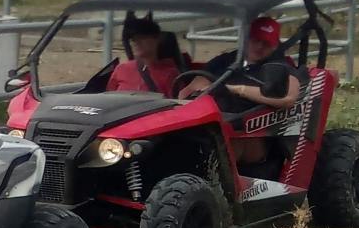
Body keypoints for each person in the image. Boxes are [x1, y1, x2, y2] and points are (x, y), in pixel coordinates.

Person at [178, 15, 303, 167]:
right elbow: (195, 84)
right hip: (211, 122)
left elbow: (289, 98)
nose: (259, 47)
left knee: (219, 142)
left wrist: (239, 90)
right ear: (246, 39)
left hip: (250, 131)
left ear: (275, 46)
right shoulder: (227, 60)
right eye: (256, 40)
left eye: (266, 43)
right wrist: (187, 98)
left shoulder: (280, 66)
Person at [107, 14, 181, 96]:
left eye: (142, 37)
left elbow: (177, 105)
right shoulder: (121, 69)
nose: (136, 42)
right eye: (133, 39)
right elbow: (109, 97)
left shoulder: (170, 74)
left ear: (157, 39)